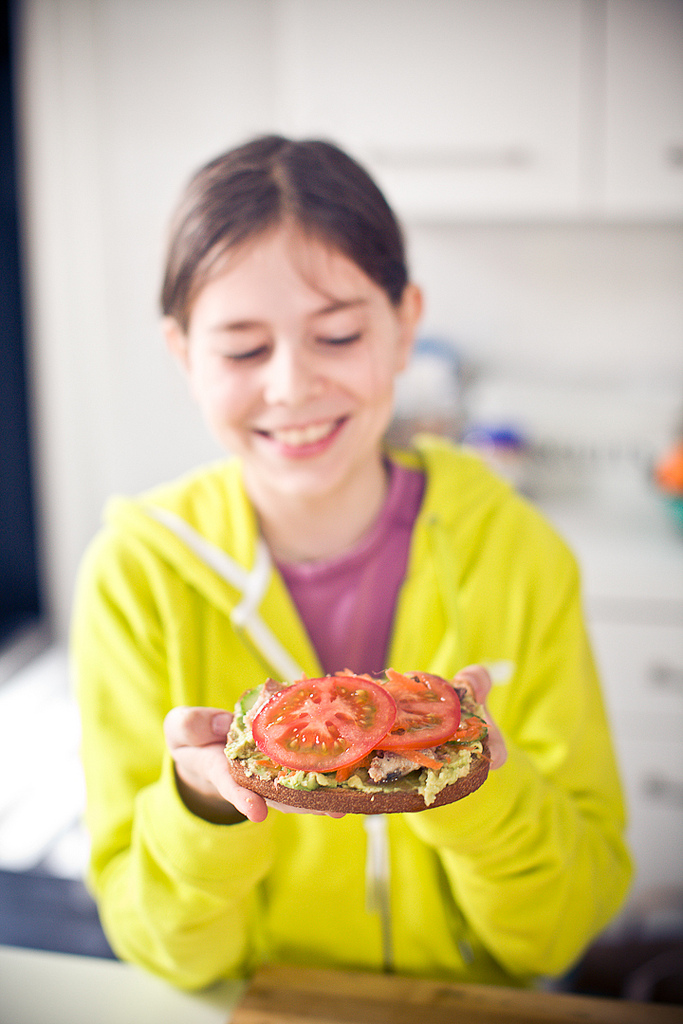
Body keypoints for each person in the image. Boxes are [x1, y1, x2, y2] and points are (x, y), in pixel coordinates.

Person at [72, 135, 631, 991]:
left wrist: (471, 785)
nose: (292, 386)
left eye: (335, 334)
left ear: (405, 325)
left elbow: (558, 933)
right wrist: (203, 812)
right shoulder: (134, 576)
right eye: (243, 350)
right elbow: (163, 951)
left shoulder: (518, 554)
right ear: (184, 355)